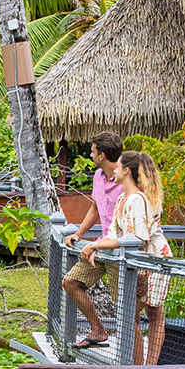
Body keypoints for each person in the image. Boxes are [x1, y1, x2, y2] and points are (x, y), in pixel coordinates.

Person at [78, 150, 171, 364]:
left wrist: (95, 244)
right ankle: (139, 368)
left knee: (153, 313)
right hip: (137, 262)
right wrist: (97, 245)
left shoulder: (137, 199)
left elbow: (137, 237)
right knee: (132, 315)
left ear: (126, 170)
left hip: (153, 258)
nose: (115, 170)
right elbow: (114, 233)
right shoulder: (122, 198)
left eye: (118, 167)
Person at [56, 131, 124, 350]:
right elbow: (95, 207)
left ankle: (132, 364)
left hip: (120, 249)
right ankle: (98, 330)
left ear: (102, 155)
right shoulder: (98, 176)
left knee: (125, 306)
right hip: (101, 246)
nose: (90, 154)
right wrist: (78, 233)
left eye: (93, 151)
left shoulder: (127, 179)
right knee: (70, 282)